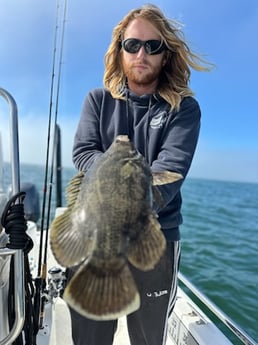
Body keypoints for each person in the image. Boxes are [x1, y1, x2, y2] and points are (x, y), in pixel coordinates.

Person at [70, 4, 211, 345]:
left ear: (166, 55)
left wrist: (122, 191)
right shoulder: (97, 100)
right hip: (95, 233)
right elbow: (83, 152)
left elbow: (171, 171)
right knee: (89, 336)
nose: (141, 53)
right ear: (119, 52)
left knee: (148, 339)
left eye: (153, 45)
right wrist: (119, 174)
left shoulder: (183, 107)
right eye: (132, 45)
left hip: (155, 239)